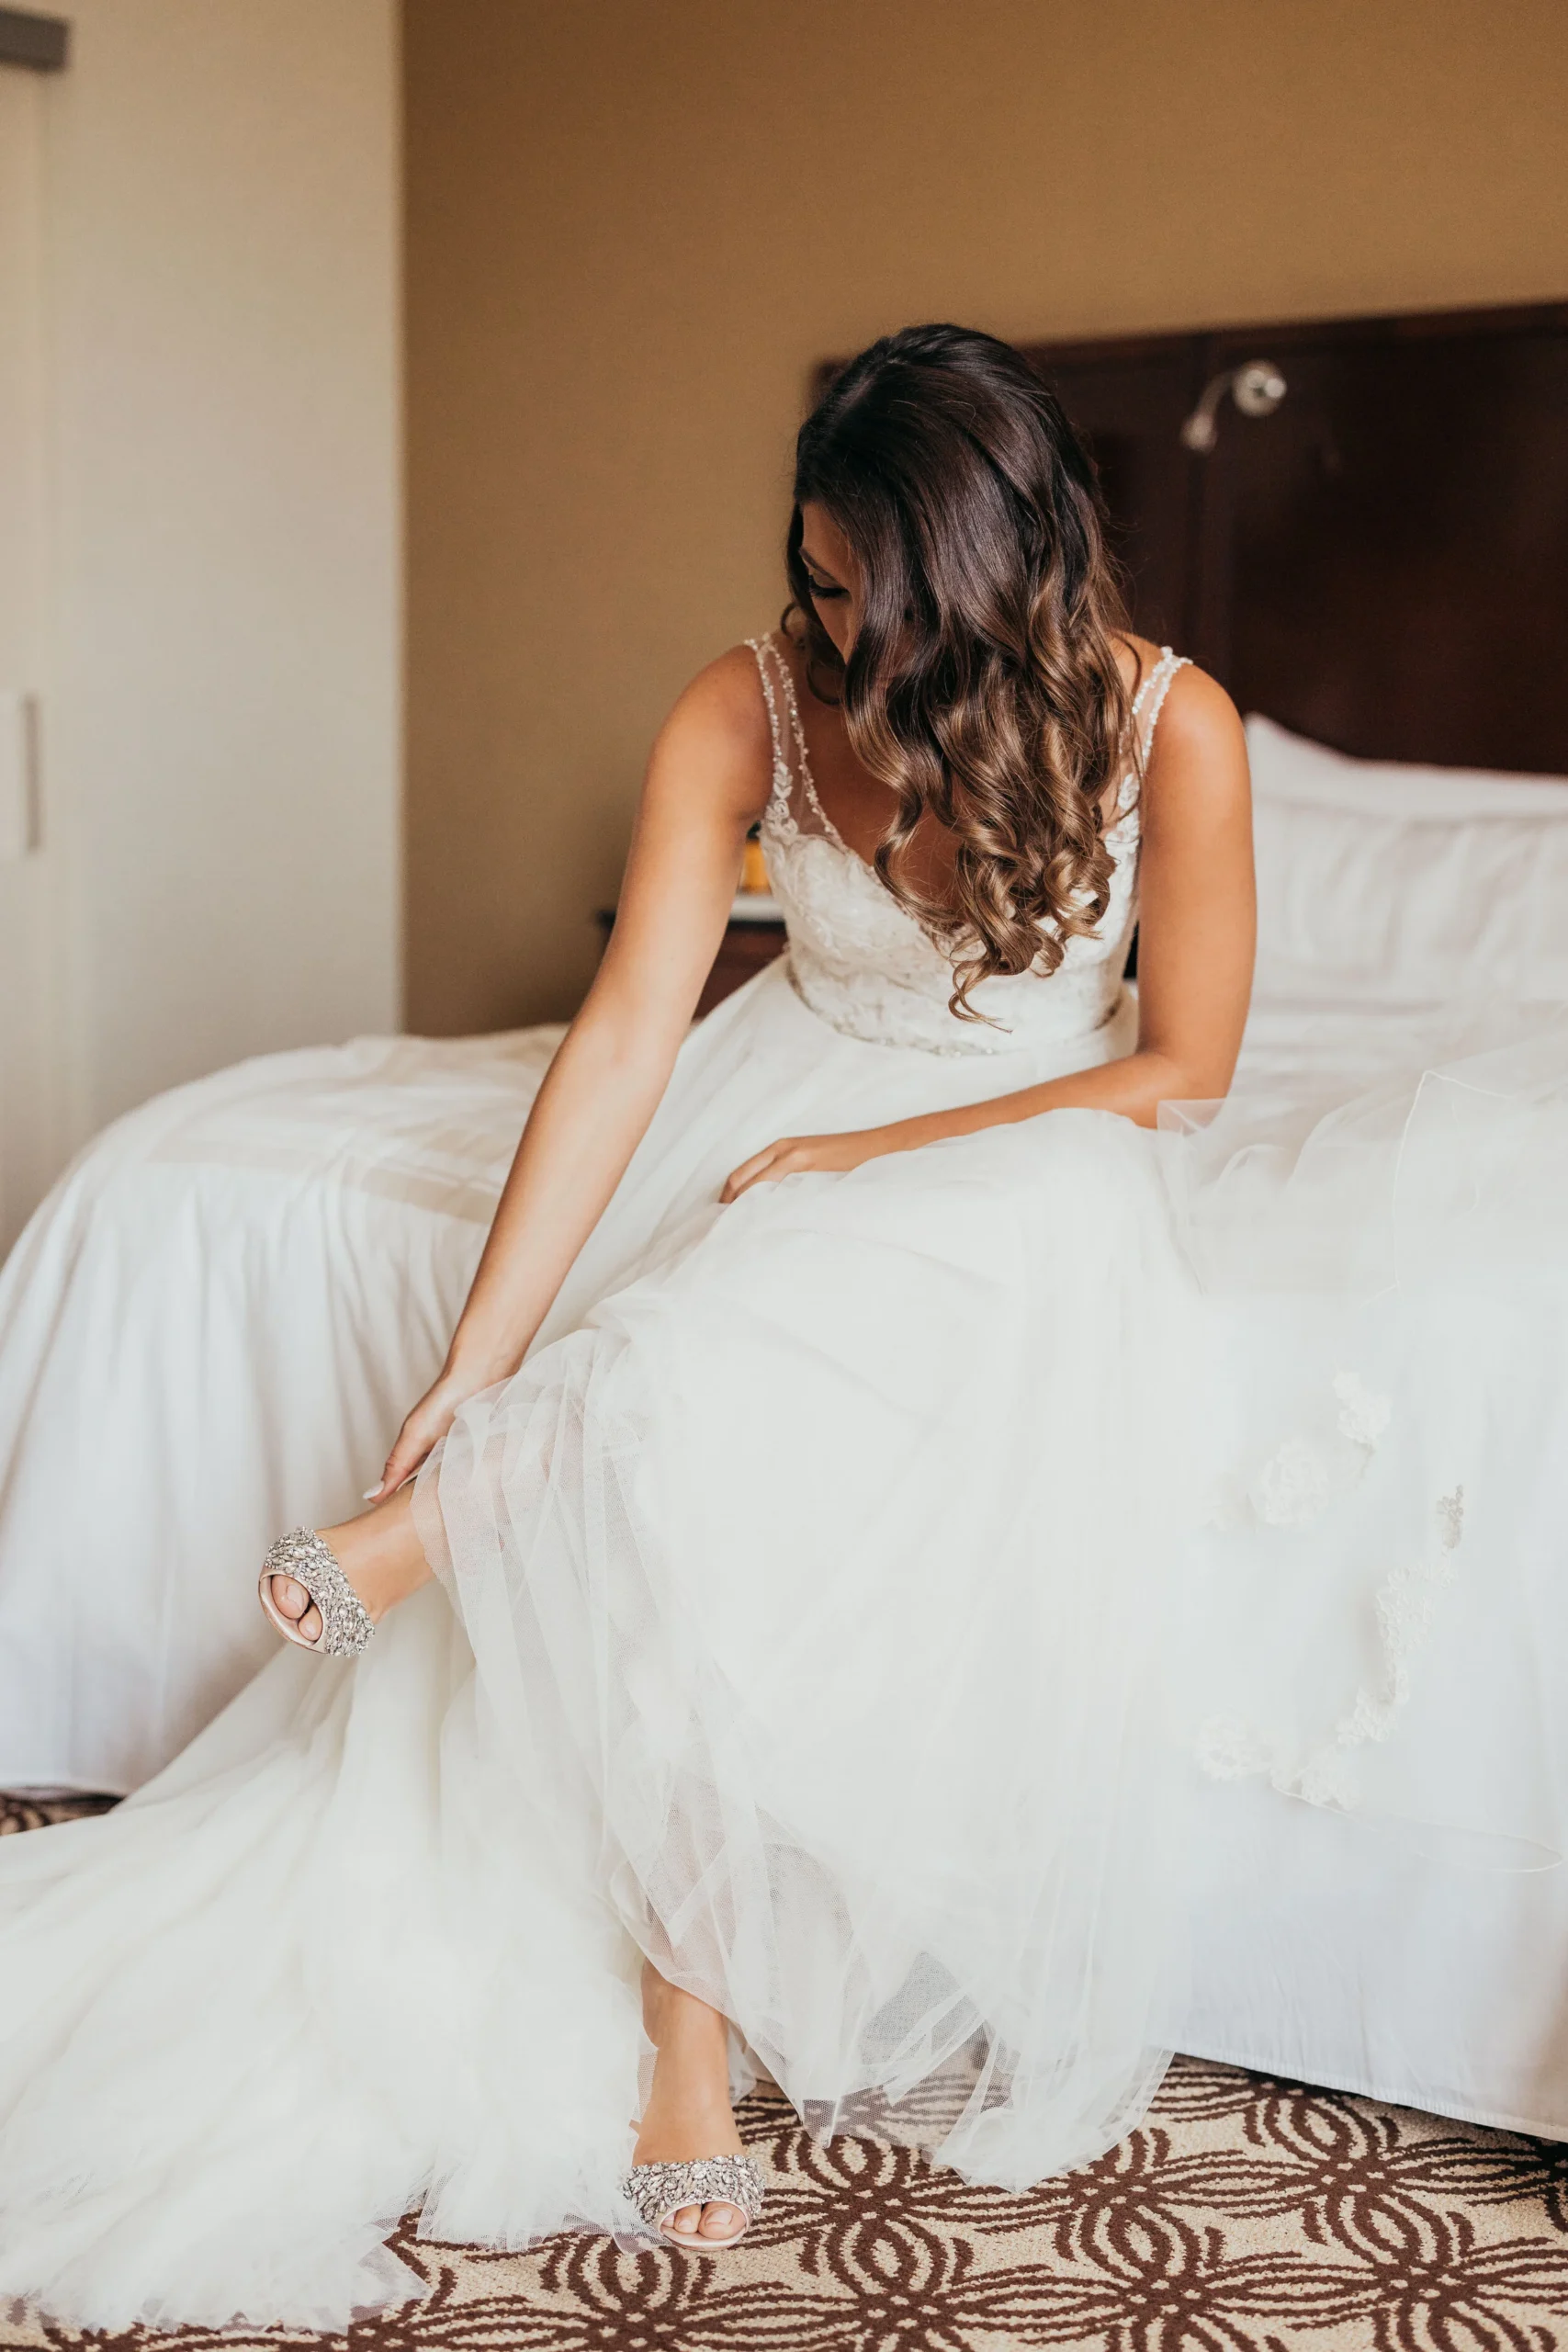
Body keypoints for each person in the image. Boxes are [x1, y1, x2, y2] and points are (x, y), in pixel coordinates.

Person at [6, 322, 1548, 2333]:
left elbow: (1182, 1066)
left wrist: (875, 1155)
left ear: (995, 573)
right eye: (817, 583)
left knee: (773, 1300)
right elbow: (627, 1031)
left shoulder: (1174, 729)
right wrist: (478, 1348)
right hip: (789, 1085)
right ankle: (682, 1983)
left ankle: (474, 1569)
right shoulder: (741, 701)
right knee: (707, 1372)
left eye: (875, 599)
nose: (837, 633)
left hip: (1042, 1142)